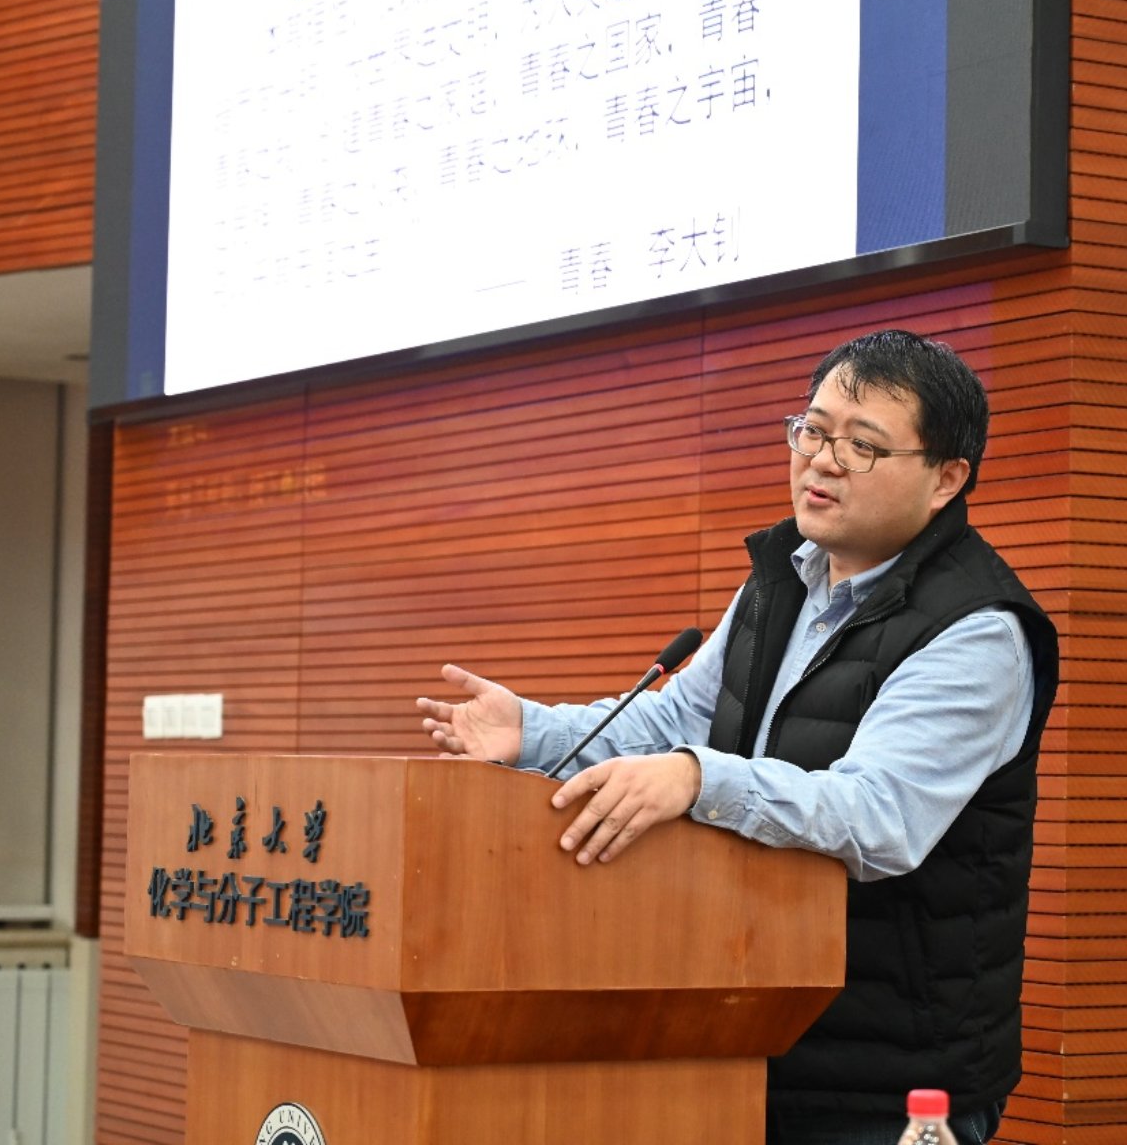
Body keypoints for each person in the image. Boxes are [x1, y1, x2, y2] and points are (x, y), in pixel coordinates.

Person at [416, 328, 1060, 1145]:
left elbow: (879, 817)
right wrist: (533, 732)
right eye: (812, 431)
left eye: (862, 446)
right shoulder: (783, 579)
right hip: (743, 1031)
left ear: (946, 478)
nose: (822, 461)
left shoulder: (977, 631)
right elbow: (674, 723)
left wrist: (699, 780)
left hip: (890, 1078)